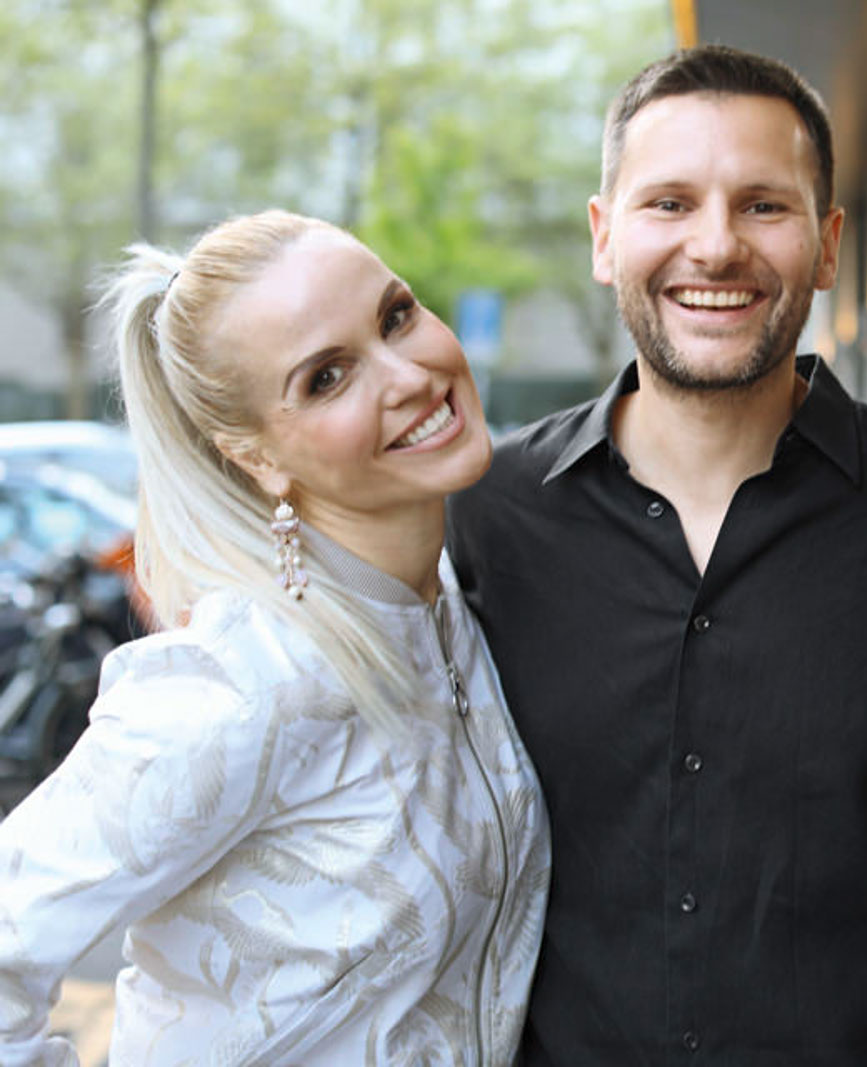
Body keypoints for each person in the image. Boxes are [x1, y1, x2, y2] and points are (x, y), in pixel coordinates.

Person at [446, 45, 867, 1065]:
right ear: (603, 237)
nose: (714, 246)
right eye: (669, 203)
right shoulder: (484, 515)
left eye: (763, 205)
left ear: (827, 245)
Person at [0, 210, 551, 1065]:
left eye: (396, 315)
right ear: (255, 456)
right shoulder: (239, 680)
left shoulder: (448, 606)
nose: (409, 375)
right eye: (326, 377)